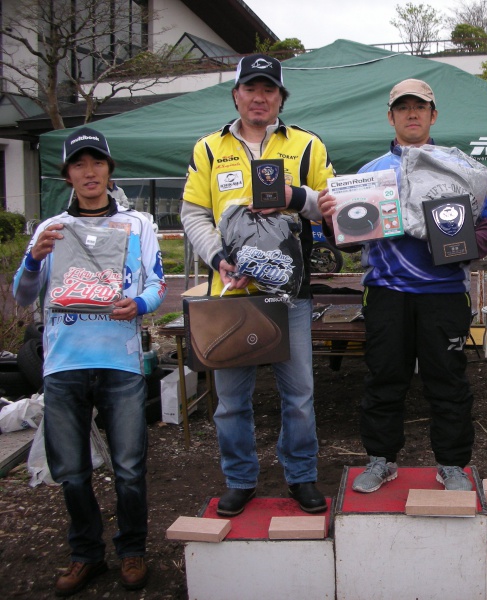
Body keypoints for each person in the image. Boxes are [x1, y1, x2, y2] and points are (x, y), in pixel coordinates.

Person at [318, 79, 487, 493]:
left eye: (420, 107)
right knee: (383, 379)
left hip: (445, 295)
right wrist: (330, 221)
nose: (412, 114)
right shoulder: (368, 173)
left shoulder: (460, 168)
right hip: (386, 293)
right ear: (391, 116)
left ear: (433, 115)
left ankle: (452, 464)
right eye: (403, 108)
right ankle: (381, 459)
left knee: (449, 383)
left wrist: (466, 248)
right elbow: (347, 240)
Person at [12, 127, 166, 596]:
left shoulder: (138, 225)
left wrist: (137, 306)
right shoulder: (50, 229)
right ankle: (85, 555)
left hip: (120, 363)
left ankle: (132, 550)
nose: (89, 171)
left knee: (129, 467)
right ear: (68, 174)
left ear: (108, 168)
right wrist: (33, 260)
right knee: (72, 471)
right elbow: (23, 296)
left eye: (96, 162)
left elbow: (156, 286)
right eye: (79, 164)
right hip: (63, 365)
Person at [180, 54, 333, 517]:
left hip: (291, 296)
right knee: (229, 403)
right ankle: (241, 479)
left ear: (281, 97)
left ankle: (301, 475)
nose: (259, 97)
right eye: (251, 88)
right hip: (229, 296)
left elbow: (330, 206)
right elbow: (193, 213)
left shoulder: (307, 146)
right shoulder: (208, 149)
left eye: (269, 89)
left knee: (300, 396)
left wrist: (295, 197)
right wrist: (218, 257)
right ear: (236, 95)